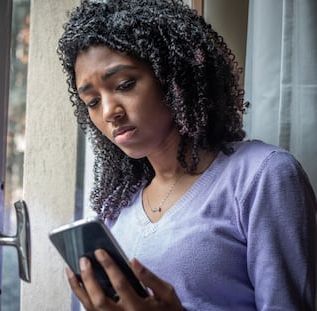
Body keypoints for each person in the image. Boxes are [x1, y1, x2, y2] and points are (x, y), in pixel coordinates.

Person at [57, 0, 317, 310]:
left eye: (125, 85)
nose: (109, 112)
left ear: (175, 78)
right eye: (92, 101)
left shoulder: (262, 175)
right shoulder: (118, 209)